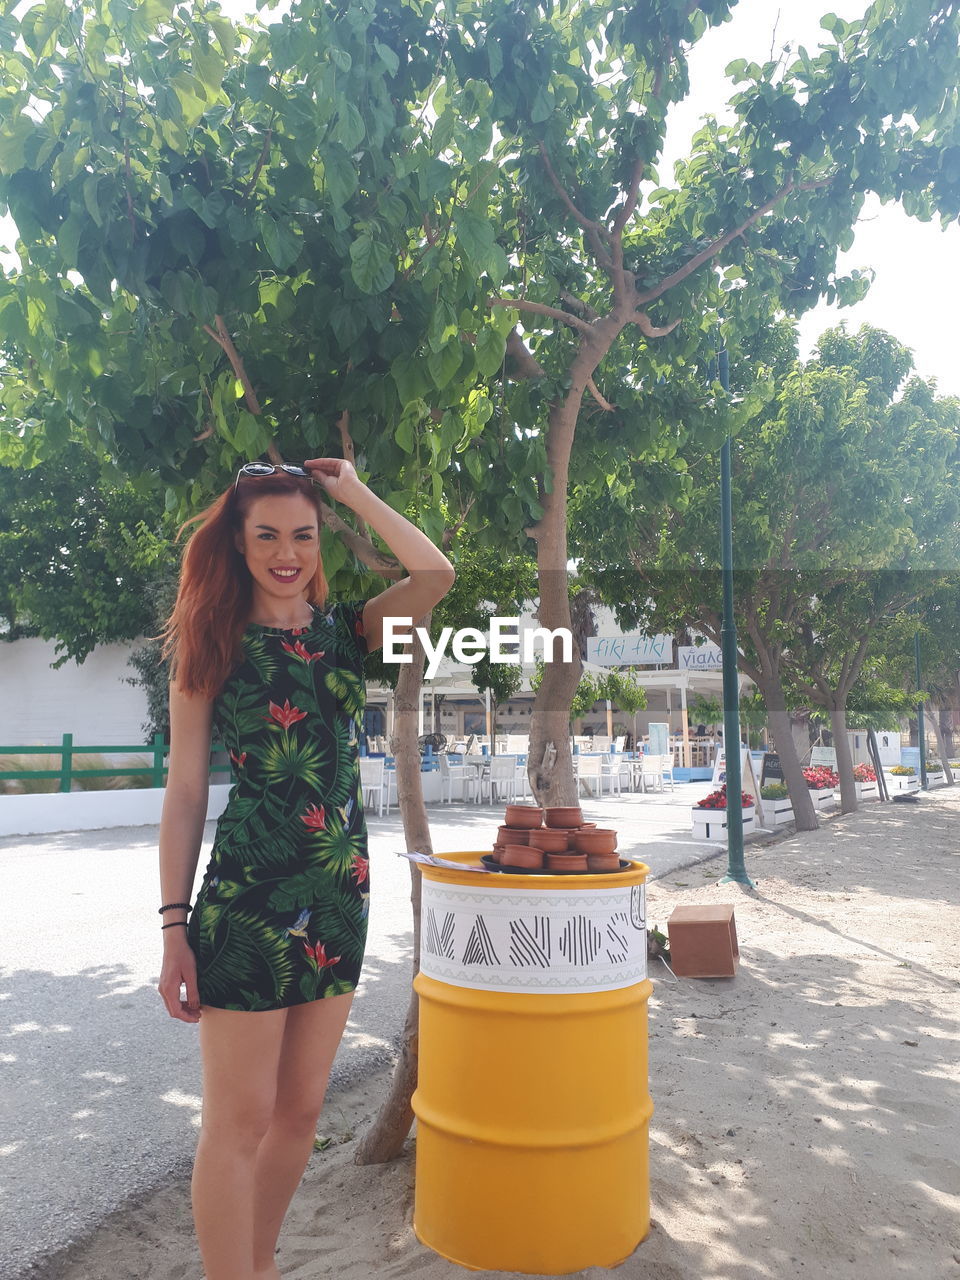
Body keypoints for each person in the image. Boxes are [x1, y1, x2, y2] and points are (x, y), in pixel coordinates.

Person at [156, 457, 454, 1280]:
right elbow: (184, 794)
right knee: (239, 1122)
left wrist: (356, 490)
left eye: (303, 535)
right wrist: (174, 927)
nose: (286, 552)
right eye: (267, 536)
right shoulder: (211, 642)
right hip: (246, 903)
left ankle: (259, 1264)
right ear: (238, 542)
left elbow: (435, 574)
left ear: (320, 542)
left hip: (338, 896)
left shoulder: (344, 633)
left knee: (299, 1114)